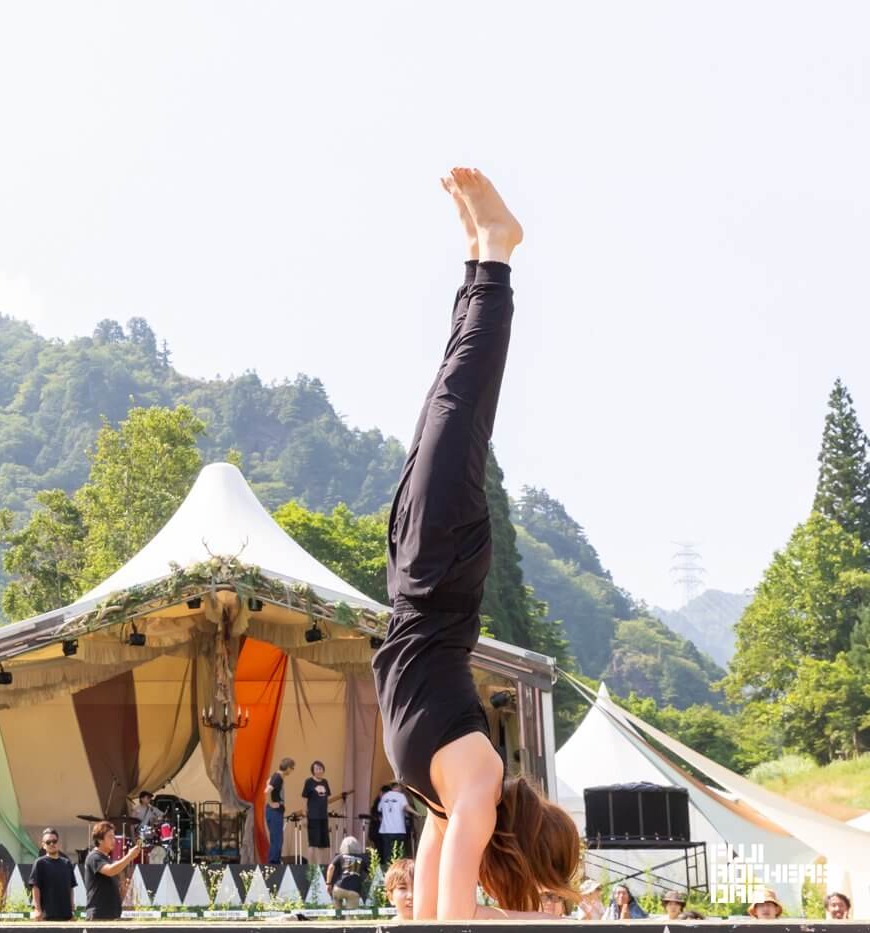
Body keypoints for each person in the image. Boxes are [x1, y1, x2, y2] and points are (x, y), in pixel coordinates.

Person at [370, 168, 580, 920]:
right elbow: (454, 916)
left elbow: (425, 912)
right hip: (437, 579)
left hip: (415, 584)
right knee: (460, 404)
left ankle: (477, 258)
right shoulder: (476, 794)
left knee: (440, 403)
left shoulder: (446, 800)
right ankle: (496, 252)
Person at [84, 820, 142, 920]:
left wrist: (124, 890)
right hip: (98, 915)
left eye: (114, 836)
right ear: (100, 840)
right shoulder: (94, 857)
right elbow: (110, 871)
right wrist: (129, 856)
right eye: (110, 837)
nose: (114, 840)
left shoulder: (107, 859)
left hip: (112, 914)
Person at [29, 828, 78, 921]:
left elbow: (70, 887)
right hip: (47, 915)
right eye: (48, 842)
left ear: (58, 843)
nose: (52, 844)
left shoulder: (67, 863)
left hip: (66, 915)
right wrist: (37, 910)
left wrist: (72, 909)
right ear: (43, 845)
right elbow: (35, 887)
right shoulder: (39, 863)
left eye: (54, 841)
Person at [264, 758, 295, 864]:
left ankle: (273, 863)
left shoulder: (276, 776)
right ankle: (273, 864)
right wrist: (270, 803)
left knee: (276, 839)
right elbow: (267, 790)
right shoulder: (278, 777)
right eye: (292, 768)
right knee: (277, 840)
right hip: (274, 812)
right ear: (287, 768)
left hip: (274, 812)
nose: (292, 771)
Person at [301, 760, 332, 864]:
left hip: (323, 817)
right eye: (316, 769)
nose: (319, 770)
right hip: (313, 817)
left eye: (320, 768)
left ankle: (322, 865)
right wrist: (305, 816)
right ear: (313, 771)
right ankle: (312, 866)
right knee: (314, 843)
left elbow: (326, 799)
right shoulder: (309, 782)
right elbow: (305, 799)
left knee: (324, 843)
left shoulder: (325, 782)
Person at [325, 836, 367, 910]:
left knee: (336, 902)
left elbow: (331, 868)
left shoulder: (340, 856)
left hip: (339, 887)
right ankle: (347, 919)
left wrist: (328, 883)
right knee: (350, 915)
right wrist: (365, 880)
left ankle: (338, 915)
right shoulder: (362, 858)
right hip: (354, 890)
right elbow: (370, 871)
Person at [376, 781, 411, 862]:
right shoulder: (401, 796)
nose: (401, 789)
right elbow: (407, 807)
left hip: (386, 830)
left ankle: (388, 871)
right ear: (397, 786)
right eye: (400, 787)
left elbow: (379, 809)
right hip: (399, 829)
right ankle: (399, 872)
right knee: (400, 853)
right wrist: (417, 814)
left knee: (387, 852)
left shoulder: (384, 796)